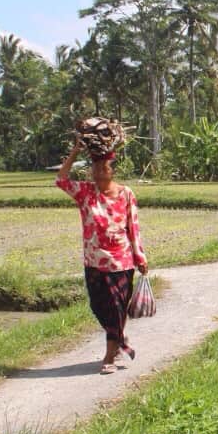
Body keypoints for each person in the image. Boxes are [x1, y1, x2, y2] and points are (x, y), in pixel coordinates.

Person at [56, 141, 148, 374]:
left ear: (112, 170)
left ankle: (109, 356)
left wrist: (140, 255)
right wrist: (75, 151)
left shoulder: (126, 193)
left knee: (117, 307)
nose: (98, 173)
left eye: (103, 169)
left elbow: (133, 226)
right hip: (94, 260)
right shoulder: (85, 192)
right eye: (94, 169)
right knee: (98, 306)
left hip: (121, 260)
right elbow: (61, 180)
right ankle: (119, 338)